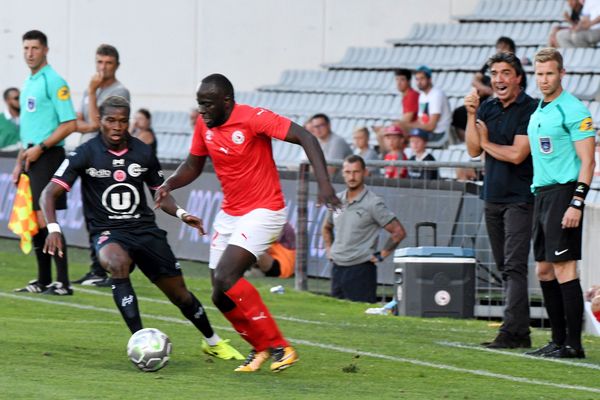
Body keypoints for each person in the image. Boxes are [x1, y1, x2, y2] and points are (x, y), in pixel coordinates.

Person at [154, 73, 340, 372]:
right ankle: (260, 347)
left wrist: (325, 185)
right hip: (231, 213)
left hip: (265, 210)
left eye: (207, 105)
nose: (201, 111)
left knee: (228, 276)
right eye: (199, 104)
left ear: (226, 102)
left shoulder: (253, 118)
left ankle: (281, 347)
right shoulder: (205, 123)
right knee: (218, 290)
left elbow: (306, 137)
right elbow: (192, 165)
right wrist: (170, 184)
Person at [41, 95, 244, 361]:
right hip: (108, 232)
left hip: (145, 231)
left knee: (180, 295)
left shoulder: (143, 152)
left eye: (123, 121)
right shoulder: (84, 153)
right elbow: (48, 194)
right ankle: (141, 340)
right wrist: (54, 228)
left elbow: (161, 194)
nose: (116, 126)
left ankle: (212, 341)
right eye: (110, 120)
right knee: (116, 263)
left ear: (128, 122)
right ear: (100, 121)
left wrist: (182, 214)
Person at [524, 48, 595, 358]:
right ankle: (556, 340)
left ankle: (573, 345)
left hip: (564, 194)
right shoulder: (539, 110)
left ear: (562, 74)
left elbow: (588, 161)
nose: (543, 79)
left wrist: (576, 203)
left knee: (565, 269)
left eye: (549, 73)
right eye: (539, 74)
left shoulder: (575, 110)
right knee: (543, 270)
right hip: (542, 194)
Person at [465, 51, 537, 349]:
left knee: (514, 265)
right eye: (494, 74)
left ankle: (510, 331)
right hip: (492, 196)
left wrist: (485, 143)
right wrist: (471, 115)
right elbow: (472, 150)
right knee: (504, 265)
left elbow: (518, 153)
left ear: (518, 77)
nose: (499, 79)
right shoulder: (487, 108)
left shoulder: (531, 109)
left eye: (505, 73)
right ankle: (519, 332)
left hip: (520, 197)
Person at [13, 30, 76, 296]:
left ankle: (62, 281)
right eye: (26, 48)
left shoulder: (54, 81)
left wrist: (41, 147)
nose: (30, 53)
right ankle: (43, 279)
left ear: (45, 50)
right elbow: (29, 128)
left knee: (45, 216)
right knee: (35, 219)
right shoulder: (30, 82)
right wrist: (20, 161)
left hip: (48, 155)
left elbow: (70, 123)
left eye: (35, 48)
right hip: (31, 156)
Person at [73, 44, 130, 288]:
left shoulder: (119, 92)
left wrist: (93, 92)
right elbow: (78, 119)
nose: (102, 67)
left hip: (106, 157)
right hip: (87, 154)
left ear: (116, 65)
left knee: (106, 213)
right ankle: (97, 266)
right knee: (90, 213)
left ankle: (110, 267)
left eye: (107, 63)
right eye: (99, 62)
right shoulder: (91, 90)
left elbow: (98, 123)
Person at [322, 155, 406, 303]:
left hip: (361, 270)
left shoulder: (373, 203)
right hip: (337, 268)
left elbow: (398, 232)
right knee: (335, 318)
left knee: (359, 318)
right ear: (342, 173)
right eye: (348, 172)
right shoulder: (336, 200)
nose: (352, 176)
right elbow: (326, 227)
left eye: (356, 172)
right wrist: (329, 249)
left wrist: (382, 255)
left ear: (365, 173)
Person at [400, 65, 451, 146]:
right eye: (417, 79)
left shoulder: (436, 95)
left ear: (429, 79)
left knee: (399, 139)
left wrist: (407, 126)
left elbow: (431, 126)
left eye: (422, 78)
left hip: (437, 134)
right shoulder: (422, 95)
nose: (419, 82)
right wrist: (404, 126)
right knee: (396, 134)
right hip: (426, 131)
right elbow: (421, 121)